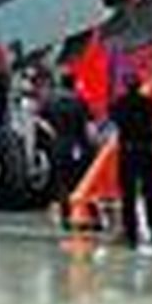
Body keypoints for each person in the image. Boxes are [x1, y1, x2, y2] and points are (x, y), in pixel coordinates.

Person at [109, 72, 152, 251]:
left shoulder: (119, 104)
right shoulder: (149, 103)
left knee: (128, 196)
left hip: (127, 153)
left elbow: (114, 120)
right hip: (147, 152)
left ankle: (131, 236)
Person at [41, 71, 94, 229]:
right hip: (77, 144)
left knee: (61, 181)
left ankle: (65, 215)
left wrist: (52, 135)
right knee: (78, 179)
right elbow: (88, 127)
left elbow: (42, 122)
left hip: (58, 144)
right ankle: (82, 212)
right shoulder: (80, 101)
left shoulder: (50, 101)